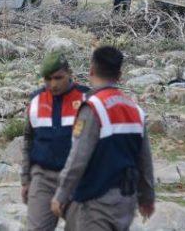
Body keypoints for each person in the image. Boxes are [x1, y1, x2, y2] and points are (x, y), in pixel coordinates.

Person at [50, 46, 155, 231]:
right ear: (120, 75)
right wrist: (147, 197)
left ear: (91, 70)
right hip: (126, 203)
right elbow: (144, 160)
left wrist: (61, 194)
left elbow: (78, 158)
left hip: (96, 203)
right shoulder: (135, 110)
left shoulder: (93, 107)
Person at [21, 52, 89, 231]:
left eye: (59, 78)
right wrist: (25, 179)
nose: (53, 84)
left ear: (70, 74)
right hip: (43, 178)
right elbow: (28, 140)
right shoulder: (35, 100)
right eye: (48, 79)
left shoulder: (86, 99)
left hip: (78, 180)